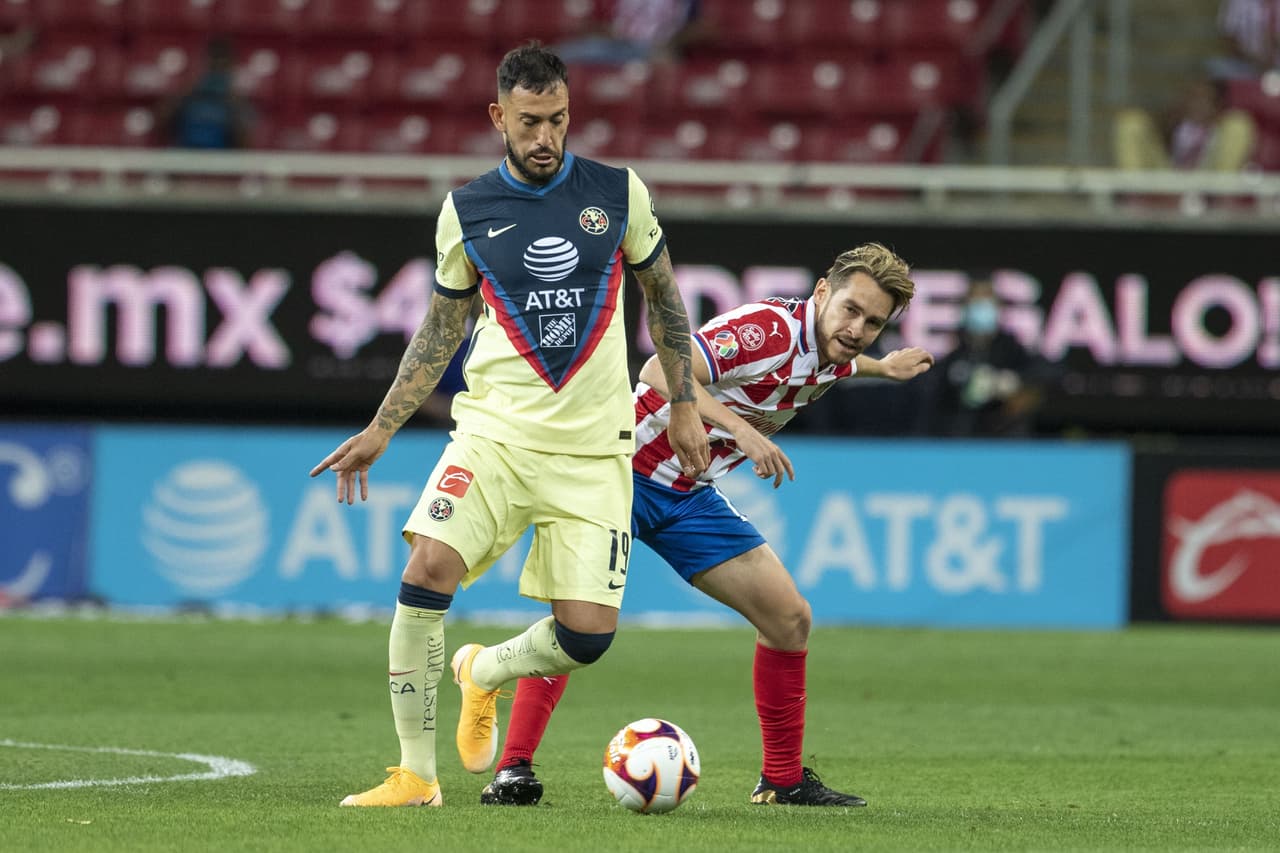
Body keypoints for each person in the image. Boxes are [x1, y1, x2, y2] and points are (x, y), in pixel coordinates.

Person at [310, 42, 709, 808]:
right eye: (530, 121)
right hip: (495, 434)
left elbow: (664, 298)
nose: (545, 137)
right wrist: (380, 427)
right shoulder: (466, 210)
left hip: (594, 449)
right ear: (499, 117)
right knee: (427, 567)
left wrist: (684, 402)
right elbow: (439, 329)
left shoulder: (618, 194)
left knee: (588, 638)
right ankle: (415, 775)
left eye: (558, 119)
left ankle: (481, 671)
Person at [479, 243, 933, 808]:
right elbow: (655, 369)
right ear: (822, 292)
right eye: (850, 310)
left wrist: (880, 367)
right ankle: (512, 769)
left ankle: (783, 781)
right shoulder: (764, 329)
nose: (858, 328)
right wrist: (742, 430)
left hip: (686, 494)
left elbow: (839, 359)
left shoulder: (837, 347)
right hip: (613, 472)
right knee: (579, 632)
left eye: (874, 323)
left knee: (789, 619)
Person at [921, 276, 1053, 438]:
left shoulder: (1013, 350)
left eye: (986, 299)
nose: (981, 307)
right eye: (975, 300)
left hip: (1008, 443)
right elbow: (932, 397)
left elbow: (1049, 374)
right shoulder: (954, 355)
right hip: (961, 443)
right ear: (965, 307)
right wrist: (963, 390)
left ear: (997, 306)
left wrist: (1012, 381)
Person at [1112, 77, 1258, 173]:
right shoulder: (1174, 123)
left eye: (1203, 99)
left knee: (1239, 123)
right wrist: (1169, 124)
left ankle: (1222, 195)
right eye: (1191, 98)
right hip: (1169, 178)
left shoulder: (1224, 129)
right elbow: (1156, 144)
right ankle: (1134, 192)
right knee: (1130, 121)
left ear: (1217, 105)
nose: (1195, 104)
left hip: (1209, 179)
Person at [158, 37, 253, 150]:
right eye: (213, 66)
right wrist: (186, 92)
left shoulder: (237, 101)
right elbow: (159, 125)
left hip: (219, 161)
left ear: (230, 68)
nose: (216, 72)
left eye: (221, 67)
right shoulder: (187, 95)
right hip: (184, 158)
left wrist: (233, 103)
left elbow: (246, 145)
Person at [554, 0, 707, 65]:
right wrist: (607, 32)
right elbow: (597, 24)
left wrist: (672, 41)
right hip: (619, 44)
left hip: (657, 48)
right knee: (562, 55)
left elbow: (703, 27)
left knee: (666, 61)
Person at [1208, 0, 1280, 80]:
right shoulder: (1237, 2)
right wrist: (1255, 61)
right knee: (1216, 67)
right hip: (1246, 62)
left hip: (1277, 64)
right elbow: (1228, 39)